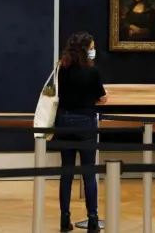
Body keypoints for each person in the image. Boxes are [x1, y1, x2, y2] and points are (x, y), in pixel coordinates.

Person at [54, 32, 108, 233]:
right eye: (92, 46)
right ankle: (92, 219)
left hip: (64, 122)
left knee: (66, 172)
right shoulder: (93, 72)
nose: (94, 50)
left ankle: (64, 218)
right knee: (89, 173)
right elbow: (101, 96)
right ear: (86, 49)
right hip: (86, 122)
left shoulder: (62, 69)